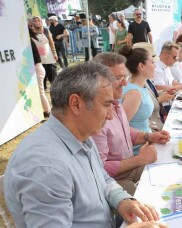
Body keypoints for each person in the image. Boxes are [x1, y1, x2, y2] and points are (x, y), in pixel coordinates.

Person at [3, 62, 165, 227]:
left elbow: (101, 177)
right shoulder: (45, 166)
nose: (110, 115)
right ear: (76, 104)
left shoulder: (80, 135)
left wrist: (121, 200)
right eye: (107, 105)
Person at [91, 53, 170, 195]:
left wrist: (149, 137)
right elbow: (99, 169)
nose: (125, 83)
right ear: (98, 81)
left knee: (168, 171)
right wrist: (139, 159)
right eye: (118, 78)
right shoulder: (94, 117)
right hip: (113, 181)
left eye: (125, 77)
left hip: (129, 168)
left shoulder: (115, 103)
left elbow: (125, 130)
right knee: (152, 199)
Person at [153, 41, 182, 112]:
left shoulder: (167, 67)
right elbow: (158, 87)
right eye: (174, 57)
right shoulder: (156, 68)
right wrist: (179, 87)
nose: (176, 60)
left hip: (170, 102)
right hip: (162, 107)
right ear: (165, 55)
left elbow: (172, 82)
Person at [29, 26, 51, 118]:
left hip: (37, 68)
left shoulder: (29, 41)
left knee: (41, 91)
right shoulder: (31, 41)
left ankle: (47, 111)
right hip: (38, 68)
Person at [31, 16, 58, 91]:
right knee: (42, 83)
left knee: (54, 79)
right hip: (38, 60)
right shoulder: (30, 32)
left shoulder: (46, 31)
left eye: (38, 21)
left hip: (49, 58)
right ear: (32, 23)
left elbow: (51, 42)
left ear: (41, 22)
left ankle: (56, 93)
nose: (37, 22)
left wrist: (54, 53)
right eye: (35, 21)